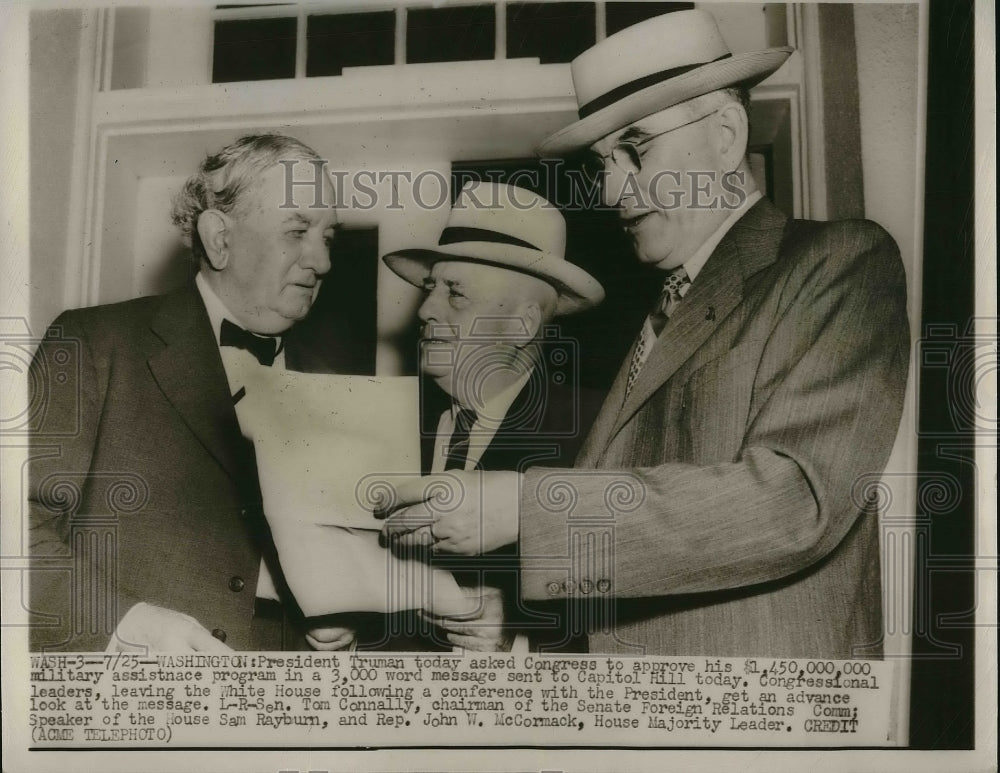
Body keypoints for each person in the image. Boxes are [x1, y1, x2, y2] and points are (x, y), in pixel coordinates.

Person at [381, 10, 910, 659]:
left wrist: (521, 507)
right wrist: (517, 627)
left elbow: (798, 498)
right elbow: (635, 549)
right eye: (603, 162)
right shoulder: (660, 312)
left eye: (636, 149)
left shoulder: (837, 261)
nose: (611, 189)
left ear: (726, 135)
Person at [28, 133, 345, 652]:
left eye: (328, 237)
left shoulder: (334, 384)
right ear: (220, 238)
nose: (323, 261)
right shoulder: (93, 344)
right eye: (297, 231)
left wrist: (346, 621)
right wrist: (125, 624)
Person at [382, 181, 604, 651]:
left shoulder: (598, 433)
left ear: (523, 323)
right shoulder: (387, 423)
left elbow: (635, 610)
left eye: (455, 293)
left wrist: (523, 633)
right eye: (430, 288)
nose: (425, 309)